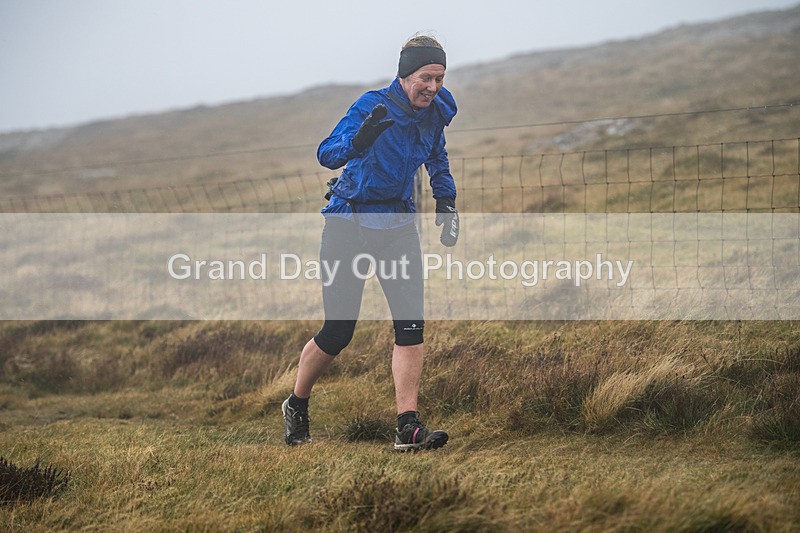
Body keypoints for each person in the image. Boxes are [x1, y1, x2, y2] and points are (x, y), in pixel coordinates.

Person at [282, 34, 459, 451]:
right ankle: (296, 404)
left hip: (397, 225)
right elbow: (327, 153)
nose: (432, 87)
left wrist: (446, 199)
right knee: (339, 332)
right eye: (425, 78)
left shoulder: (435, 112)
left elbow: (437, 155)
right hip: (350, 224)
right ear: (404, 75)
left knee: (410, 326)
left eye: (439, 78)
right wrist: (357, 142)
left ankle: (407, 427)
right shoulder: (371, 106)